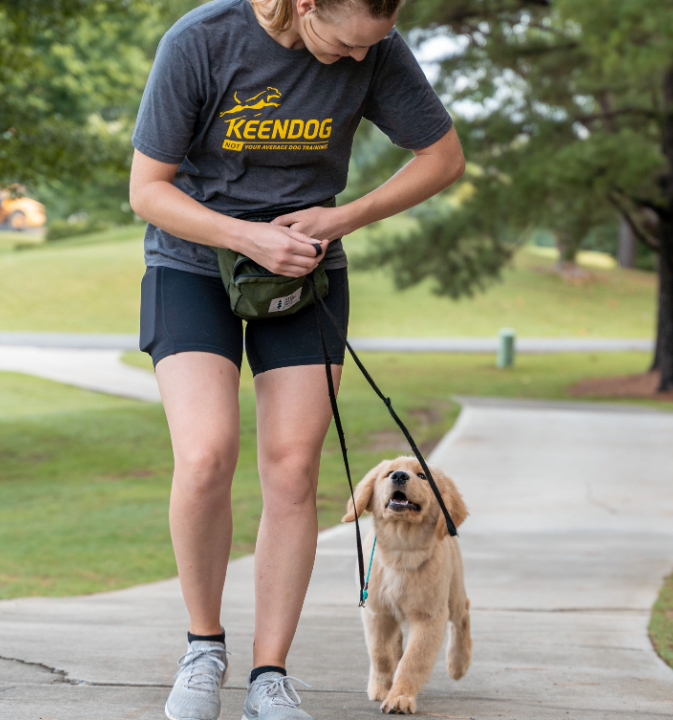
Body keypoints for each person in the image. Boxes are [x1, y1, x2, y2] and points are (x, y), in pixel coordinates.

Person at [126, 0, 463, 718]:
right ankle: (202, 648)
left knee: (291, 465)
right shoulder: (201, 41)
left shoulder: (377, 46)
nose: (352, 63)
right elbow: (145, 189)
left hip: (307, 272)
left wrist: (342, 217)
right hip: (193, 266)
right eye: (342, 47)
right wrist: (247, 238)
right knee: (207, 454)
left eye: (365, 51)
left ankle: (268, 677)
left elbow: (443, 157)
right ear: (305, 4)